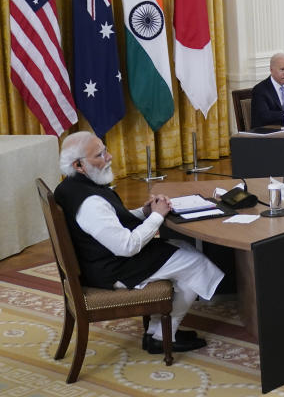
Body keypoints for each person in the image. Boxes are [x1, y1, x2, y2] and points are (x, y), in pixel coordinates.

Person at [54, 132, 225, 354]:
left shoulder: (72, 187)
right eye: (101, 154)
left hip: (98, 260)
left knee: (182, 248)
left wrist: (144, 213)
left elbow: (111, 222)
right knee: (197, 264)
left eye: (105, 150)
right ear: (78, 165)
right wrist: (157, 216)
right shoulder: (90, 203)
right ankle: (163, 336)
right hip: (110, 269)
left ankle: (158, 332)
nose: (110, 157)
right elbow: (126, 246)